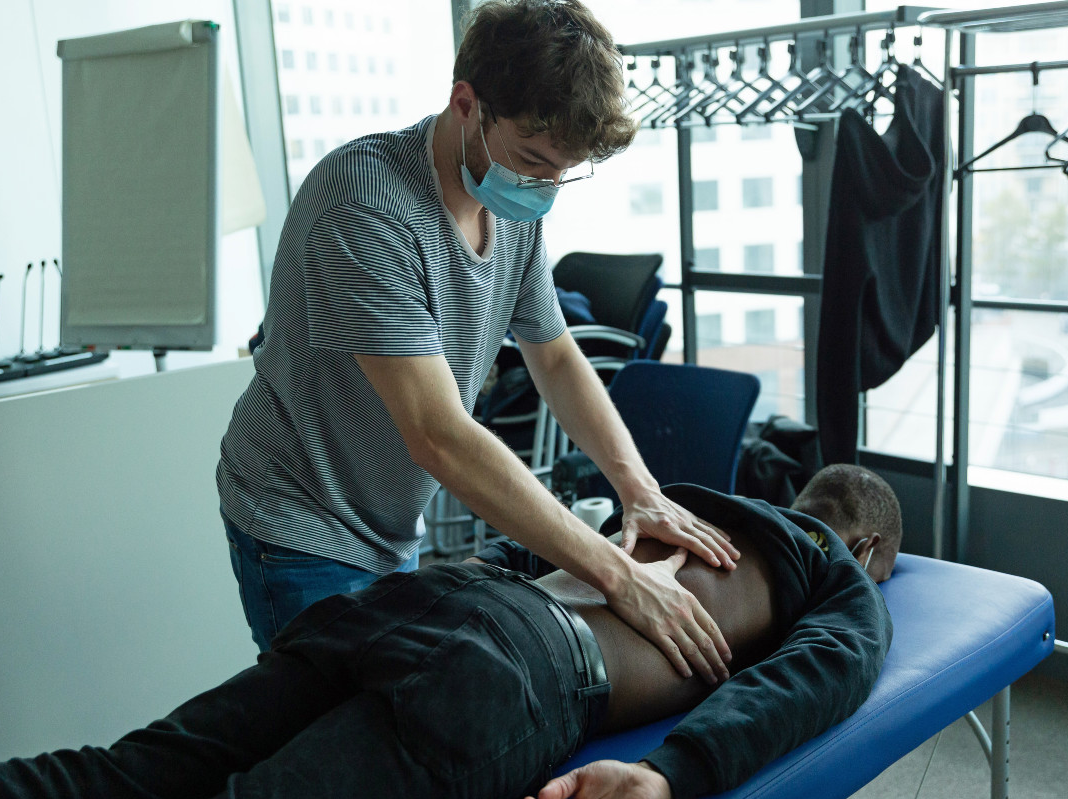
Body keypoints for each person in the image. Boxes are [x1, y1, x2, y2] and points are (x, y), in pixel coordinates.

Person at [0, 466, 899, 799]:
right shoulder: (833, 574)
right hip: (514, 665)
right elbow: (817, 678)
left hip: (424, 596)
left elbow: (544, 551)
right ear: (865, 551)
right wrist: (666, 774)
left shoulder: (686, 502)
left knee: (122, 774)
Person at [215, 0, 740, 680]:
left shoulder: (510, 206)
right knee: (333, 743)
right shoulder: (365, 205)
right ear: (466, 103)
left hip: (390, 518)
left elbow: (554, 355)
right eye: (531, 159)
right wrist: (617, 575)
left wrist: (639, 488)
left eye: (561, 172)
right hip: (298, 519)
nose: (544, 187)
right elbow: (437, 434)